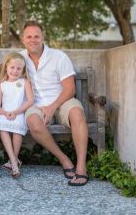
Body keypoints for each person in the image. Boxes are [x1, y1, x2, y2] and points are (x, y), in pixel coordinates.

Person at [19, 20, 89, 186]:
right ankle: (64, 159)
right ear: (23, 39)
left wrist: (52, 107)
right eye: (29, 36)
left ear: (43, 37)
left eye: (36, 36)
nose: (32, 39)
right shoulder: (19, 58)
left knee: (77, 113)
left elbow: (70, 89)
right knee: (33, 122)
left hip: (62, 101)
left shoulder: (58, 57)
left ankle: (81, 166)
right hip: (34, 104)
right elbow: (4, 71)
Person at [0, 52, 34, 177]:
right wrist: (5, 113)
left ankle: (13, 160)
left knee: (17, 132)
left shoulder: (24, 82)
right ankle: (15, 162)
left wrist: (16, 112)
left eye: (18, 68)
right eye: (12, 67)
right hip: (4, 114)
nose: (15, 71)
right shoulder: (1, 85)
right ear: (6, 67)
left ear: (23, 70)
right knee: (3, 129)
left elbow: (30, 100)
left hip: (19, 113)